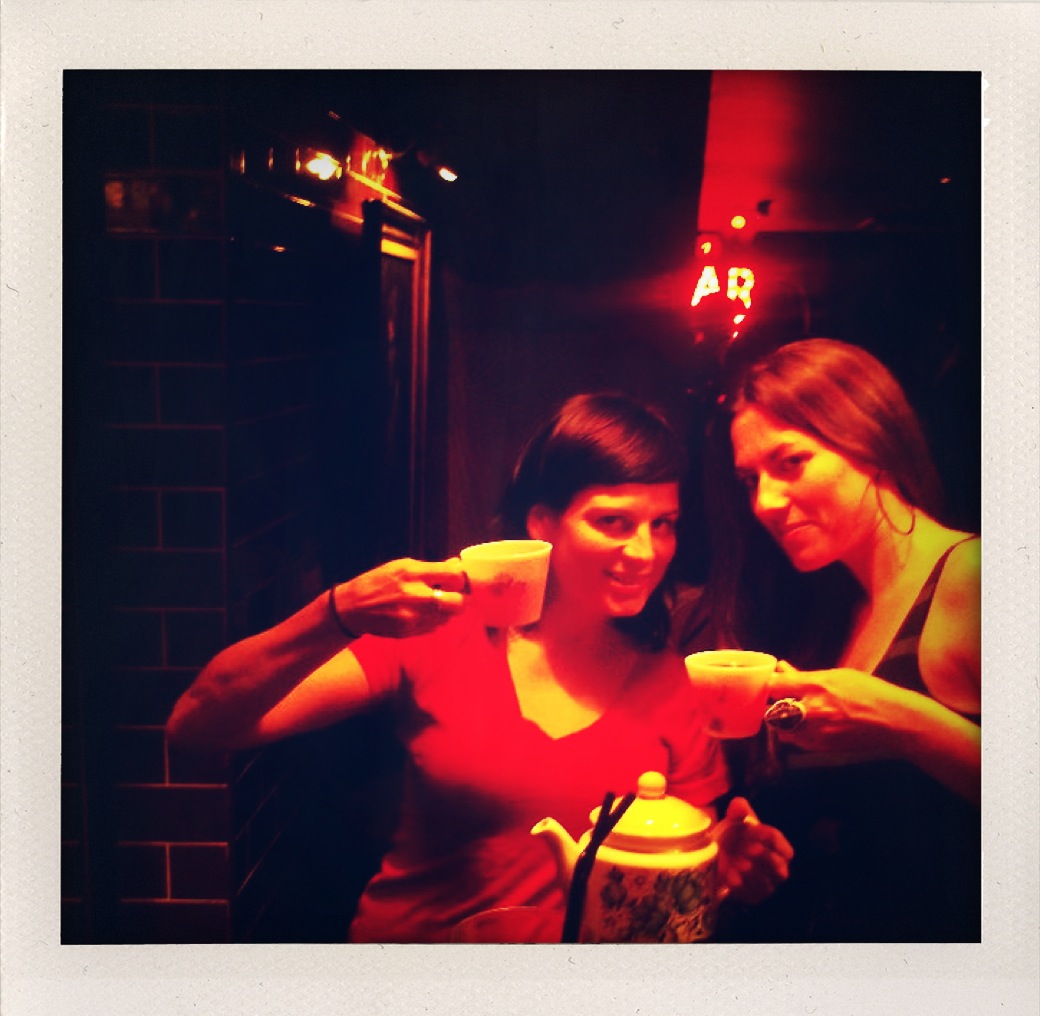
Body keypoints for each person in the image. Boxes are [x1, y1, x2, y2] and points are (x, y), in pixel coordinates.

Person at [167, 392, 793, 943]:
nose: (645, 551)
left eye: (664, 525)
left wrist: (725, 867)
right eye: (613, 522)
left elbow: (674, 885)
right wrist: (339, 612)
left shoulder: (673, 684)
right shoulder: (442, 632)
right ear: (542, 522)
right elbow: (199, 724)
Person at [685, 337, 980, 942]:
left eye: (791, 462)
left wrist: (903, 720)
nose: (765, 502)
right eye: (749, 480)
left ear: (869, 440)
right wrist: (749, 839)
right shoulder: (832, 609)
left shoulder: (974, 577)